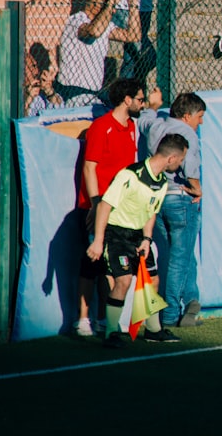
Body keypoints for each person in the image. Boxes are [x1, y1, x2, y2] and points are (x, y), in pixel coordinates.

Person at [87, 133, 189, 348]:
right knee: (123, 281)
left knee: (152, 280)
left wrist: (147, 239)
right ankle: (111, 333)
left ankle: (154, 330)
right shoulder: (130, 175)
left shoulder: (161, 183)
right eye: (180, 160)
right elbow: (105, 206)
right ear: (171, 158)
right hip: (116, 235)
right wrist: (98, 241)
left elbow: (150, 213)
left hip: (138, 237)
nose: (181, 164)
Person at [71, 77, 151, 337]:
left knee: (112, 266)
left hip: (120, 210)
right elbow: (89, 167)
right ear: (126, 100)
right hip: (97, 206)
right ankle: (83, 319)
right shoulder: (101, 127)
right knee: (91, 263)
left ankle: (106, 317)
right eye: (139, 99)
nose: (143, 103)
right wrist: (95, 203)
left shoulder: (131, 127)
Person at [144, 92, 208, 329]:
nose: (200, 122)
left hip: (158, 200)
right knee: (179, 259)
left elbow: (145, 121)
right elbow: (190, 165)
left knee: (181, 254)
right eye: (198, 117)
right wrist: (197, 188)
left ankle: (191, 300)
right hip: (180, 199)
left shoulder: (156, 127)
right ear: (186, 116)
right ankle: (171, 313)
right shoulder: (186, 133)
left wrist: (152, 107)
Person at [55, 0, 141, 105]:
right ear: (96, 6)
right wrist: (109, 5)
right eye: (111, 6)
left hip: (93, 92)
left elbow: (133, 36)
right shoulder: (76, 20)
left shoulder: (104, 25)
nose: (114, 10)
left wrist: (132, 4)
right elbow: (94, 32)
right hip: (72, 90)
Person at [25, 43, 63, 116]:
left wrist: (50, 93)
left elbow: (61, 113)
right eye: (32, 66)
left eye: (37, 66)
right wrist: (29, 99)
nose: (36, 71)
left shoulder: (42, 93)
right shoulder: (15, 94)